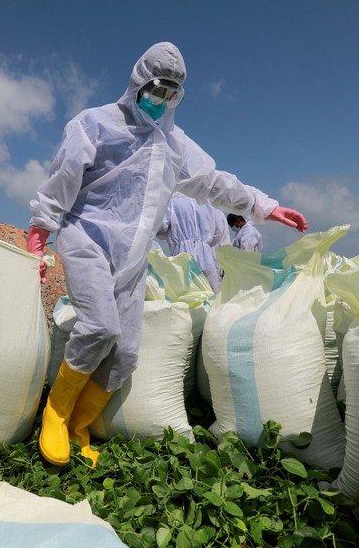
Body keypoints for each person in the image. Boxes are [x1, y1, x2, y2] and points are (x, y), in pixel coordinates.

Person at [26, 42, 307, 468]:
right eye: (156, 89)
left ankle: (81, 426)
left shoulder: (174, 144)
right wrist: (41, 228)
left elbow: (214, 183)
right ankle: (56, 412)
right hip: (87, 239)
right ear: (138, 83)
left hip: (134, 255)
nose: (161, 100)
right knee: (100, 327)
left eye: (172, 94)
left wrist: (264, 206)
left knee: (125, 354)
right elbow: (64, 177)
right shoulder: (94, 124)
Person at [156, 193, 232, 293]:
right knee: (210, 293)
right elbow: (219, 233)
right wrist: (204, 244)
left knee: (184, 296)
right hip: (207, 256)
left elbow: (160, 227)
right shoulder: (210, 207)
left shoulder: (172, 203)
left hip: (181, 255)